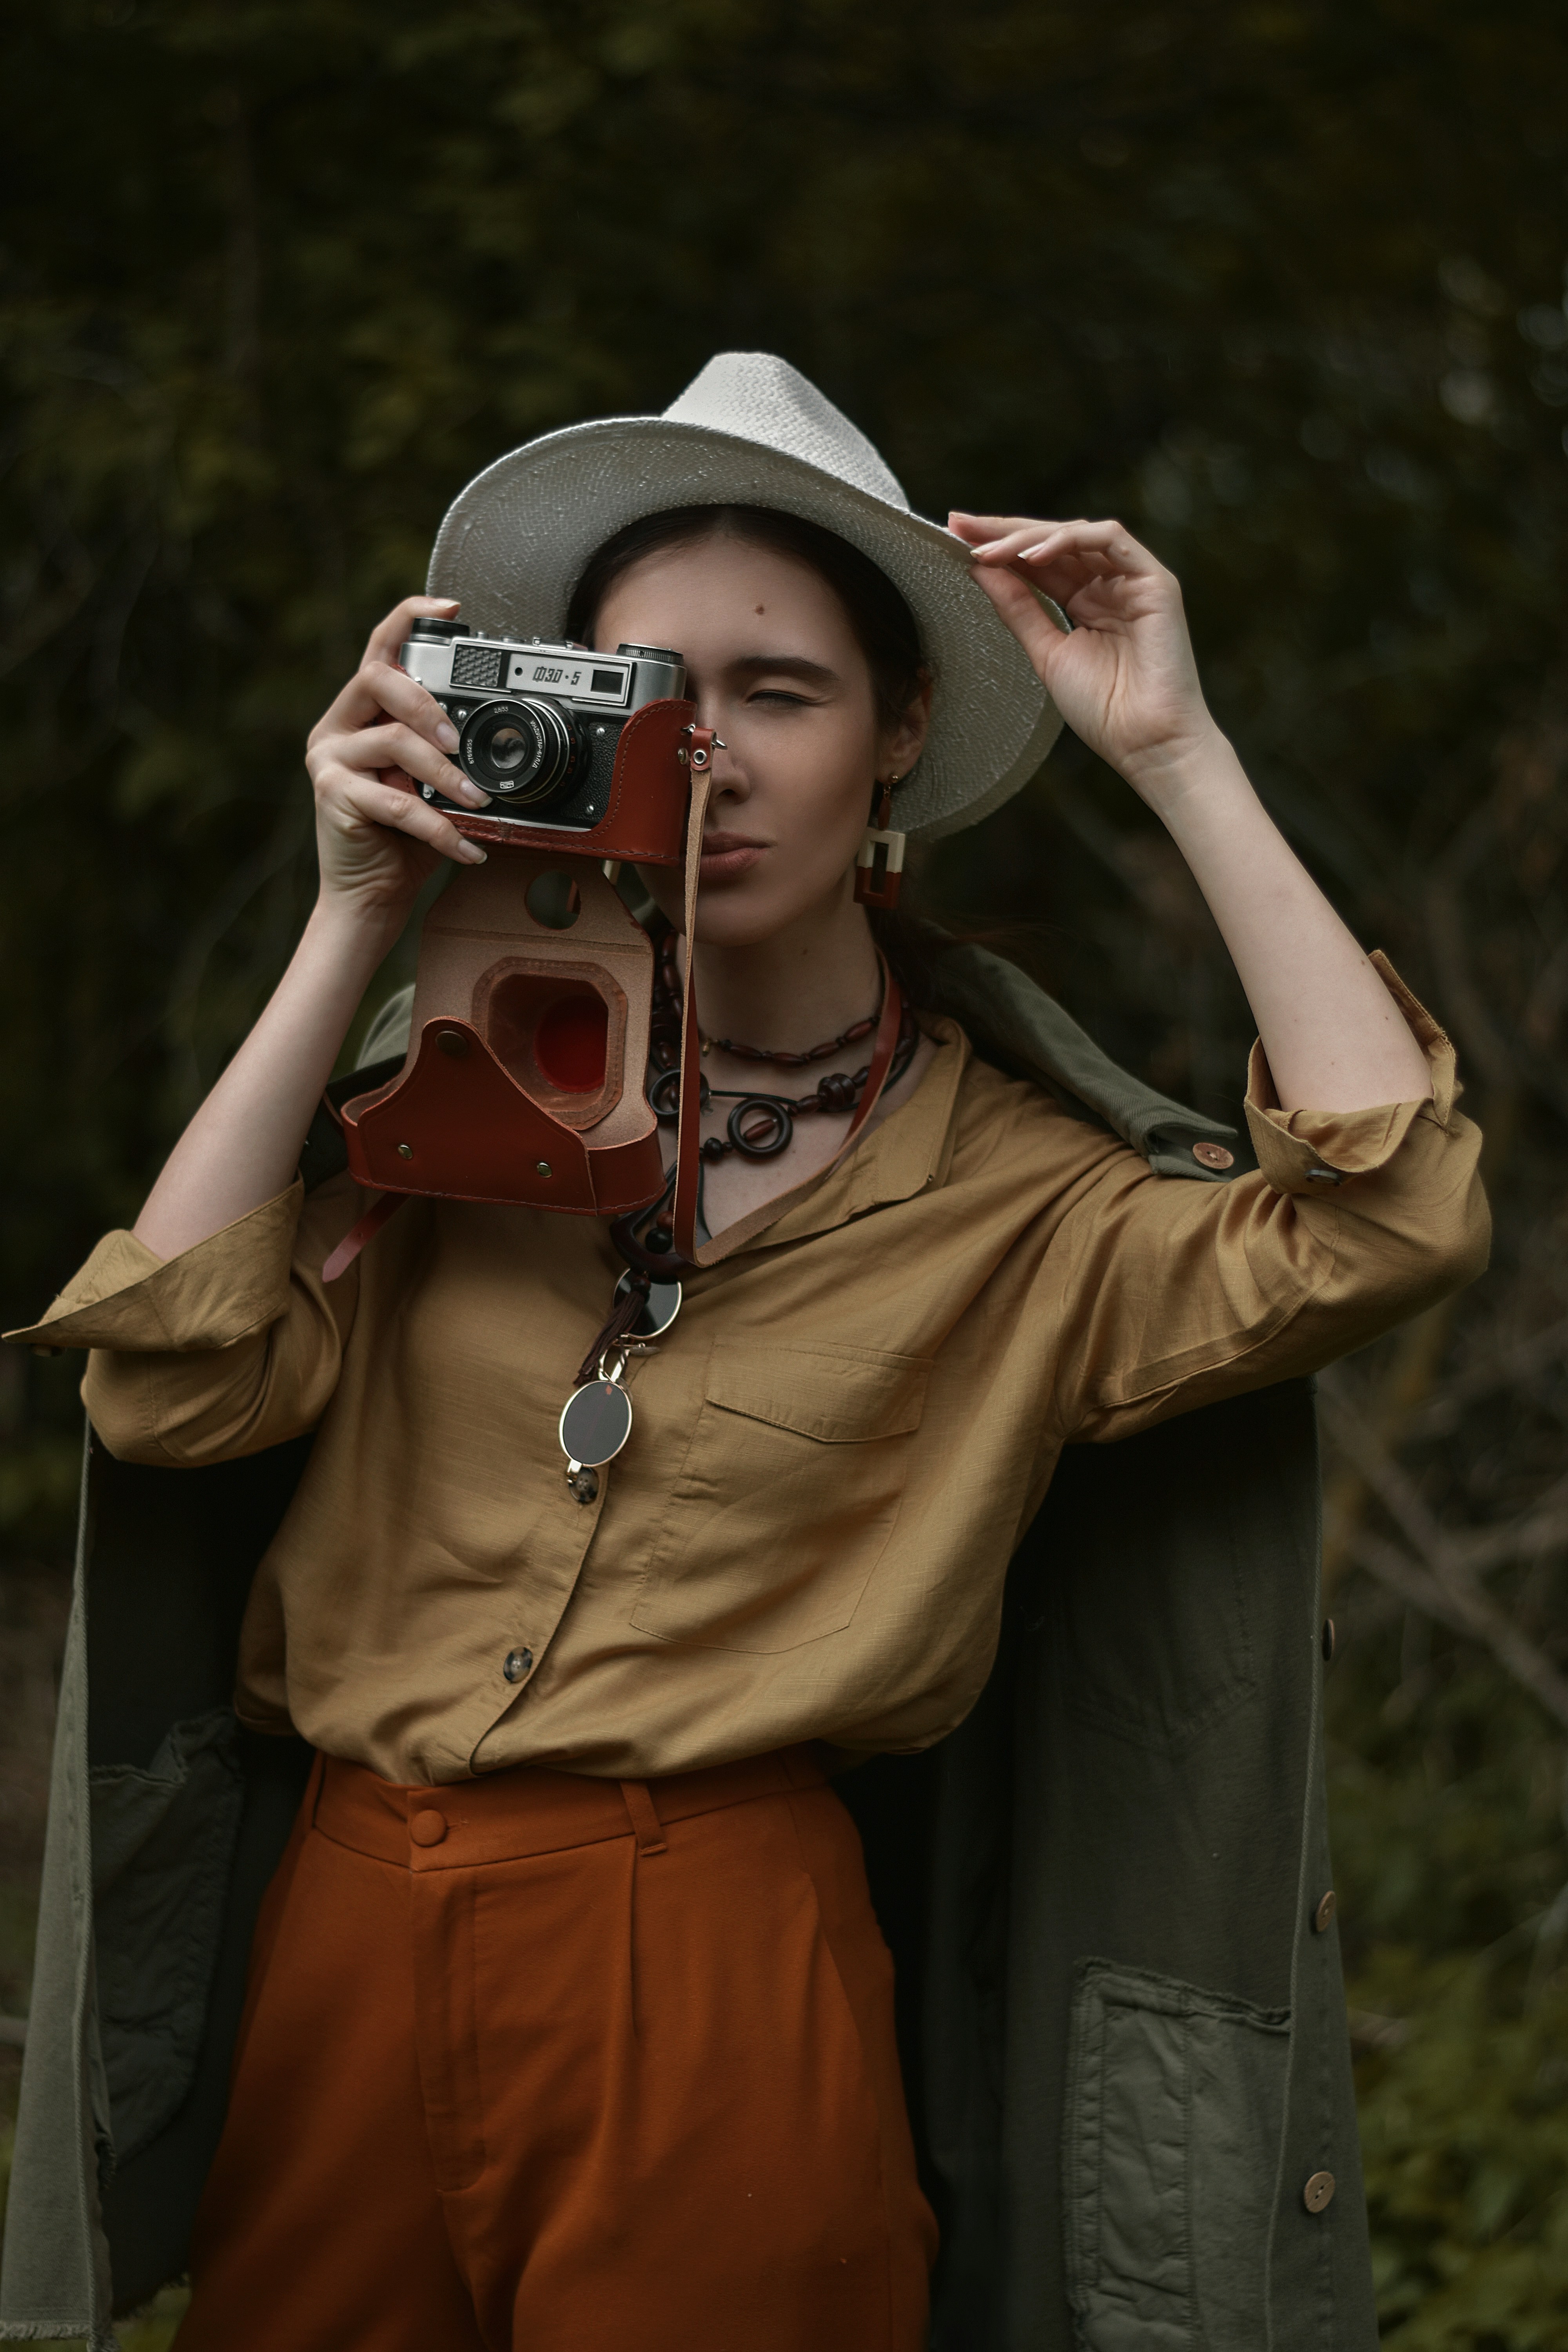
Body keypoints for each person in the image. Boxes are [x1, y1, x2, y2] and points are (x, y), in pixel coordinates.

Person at [5, 353, 1487, 2352]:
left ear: (900, 734)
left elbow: (1389, 1220)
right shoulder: (443, 1100)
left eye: (780, 694)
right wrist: (356, 915)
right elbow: (167, 1392)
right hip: (346, 1924)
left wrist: (1177, 752)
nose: (707, 756)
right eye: (649, 695)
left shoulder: (1022, 1202)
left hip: (712, 1957)